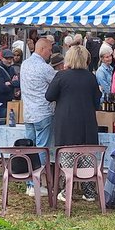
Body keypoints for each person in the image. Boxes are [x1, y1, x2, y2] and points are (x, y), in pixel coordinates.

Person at [45, 45, 102, 201]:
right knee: (87, 157)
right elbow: (97, 103)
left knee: (67, 158)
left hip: (66, 122)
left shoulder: (61, 76)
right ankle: (89, 192)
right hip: (87, 123)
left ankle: (65, 190)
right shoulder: (91, 77)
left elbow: (49, 96)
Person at [20, 38, 56, 196]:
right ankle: (37, 182)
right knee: (41, 149)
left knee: (30, 148)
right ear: (42, 49)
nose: (51, 53)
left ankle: (29, 184)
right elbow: (57, 83)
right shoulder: (45, 68)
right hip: (43, 112)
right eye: (49, 50)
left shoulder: (24, 64)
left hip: (28, 112)